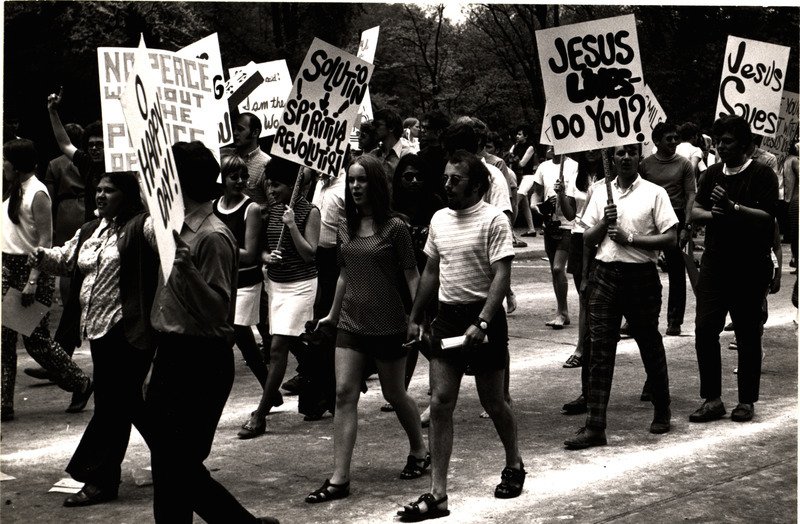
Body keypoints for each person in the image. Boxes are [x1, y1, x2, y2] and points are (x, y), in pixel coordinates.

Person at [143, 141, 278, 524]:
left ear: (180, 180)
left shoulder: (212, 237)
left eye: (165, 174)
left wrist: (187, 270)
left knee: (178, 465)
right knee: (169, 465)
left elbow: (220, 312)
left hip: (200, 359)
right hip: (172, 352)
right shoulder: (176, 226)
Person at [399, 151, 524, 522]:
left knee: (494, 401)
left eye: (456, 179)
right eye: (446, 178)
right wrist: (416, 315)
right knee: (440, 403)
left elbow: (502, 276)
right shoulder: (439, 219)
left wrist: (483, 322)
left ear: (476, 184)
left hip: (483, 317)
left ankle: (514, 463)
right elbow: (432, 271)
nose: (447, 185)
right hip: (448, 318)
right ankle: (438, 494)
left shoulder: (494, 220)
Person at [31, 170, 159, 507]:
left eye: (110, 191)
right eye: (98, 190)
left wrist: (149, 195)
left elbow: (164, 238)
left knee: (112, 405)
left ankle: (100, 478)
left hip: (128, 330)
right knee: (127, 404)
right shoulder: (91, 228)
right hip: (97, 331)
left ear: (127, 195)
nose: (100, 196)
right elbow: (68, 259)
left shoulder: (141, 225)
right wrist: (42, 257)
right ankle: (177, 460)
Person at [305, 154, 428, 503]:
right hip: (350, 322)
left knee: (394, 393)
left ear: (374, 183)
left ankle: (419, 450)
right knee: (344, 394)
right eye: (351, 180)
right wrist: (330, 316)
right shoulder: (345, 226)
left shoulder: (396, 228)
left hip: (389, 323)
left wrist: (417, 318)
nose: (355, 186)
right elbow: (345, 273)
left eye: (361, 180)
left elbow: (412, 275)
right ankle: (339, 478)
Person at [564, 143, 678, 450]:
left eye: (630, 152)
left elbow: (670, 237)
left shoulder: (655, 193)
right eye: (619, 153)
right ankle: (595, 425)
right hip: (605, 275)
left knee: (648, 343)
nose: (625, 157)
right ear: (611, 158)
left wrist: (631, 238)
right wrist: (604, 222)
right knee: (598, 350)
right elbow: (586, 237)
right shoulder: (600, 192)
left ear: (639, 156)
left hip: (641, 277)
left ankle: (662, 407)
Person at [689, 116, 778, 424]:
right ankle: (712, 399)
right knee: (704, 330)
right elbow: (695, 211)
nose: (721, 147)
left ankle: (746, 401)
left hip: (750, 265)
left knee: (747, 333)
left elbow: (768, 217)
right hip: (715, 263)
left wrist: (733, 208)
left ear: (743, 144)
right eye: (718, 142)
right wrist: (716, 215)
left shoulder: (763, 174)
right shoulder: (711, 174)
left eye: (727, 141)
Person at [1, 138, 93, 422]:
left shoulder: (38, 193)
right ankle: (5, 402)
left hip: (31, 270)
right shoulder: (11, 189)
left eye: (5, 160)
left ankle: (79, 382)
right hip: (8, 268)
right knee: (4, 340)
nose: (2, 165)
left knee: (36, 341)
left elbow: (45, 241)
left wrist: (32, 280)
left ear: (16, 165)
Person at [238, 158, 320, 439]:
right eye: (269, 184)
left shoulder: (310, 211)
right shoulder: (271, 211)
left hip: (300, 286)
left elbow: (310, 253)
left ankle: (260, 414)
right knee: (295, 343)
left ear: (292, 185)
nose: (271, 190)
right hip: (276, 285)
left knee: (278, 348)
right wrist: (266, 258)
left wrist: (293, 225)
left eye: (276, 185)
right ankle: (329, 379)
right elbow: (260, 248)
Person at [213, 152, 268, 388]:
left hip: (246, 283)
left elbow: (249, 254)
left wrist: (218, 248)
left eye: (243, 176)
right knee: (245, 342)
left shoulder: (251, 208)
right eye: (233, 176)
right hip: (223, 283)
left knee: (232, 334)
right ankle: (269, 387)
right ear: (222, 179)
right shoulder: (214, 207)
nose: (239, 181)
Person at [639, 122, 697, 336]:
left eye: (676, 138)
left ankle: (675, 320)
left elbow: (691, 195)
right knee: (642, 268)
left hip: (676, 218)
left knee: (676, 271)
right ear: (656, 141)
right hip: (650, 218)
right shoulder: (645, 165)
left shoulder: (684, 165)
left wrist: (687, 225)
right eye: (669, 139)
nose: (674, 142)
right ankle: (636, 316)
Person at [560, 149, 602, 368]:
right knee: (583, 295)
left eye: (596, 148)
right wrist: (560, 194)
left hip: (603, 237)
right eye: (588, 148)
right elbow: (569, 214)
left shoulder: (611, 177)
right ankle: (581, 347)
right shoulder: (575, 175)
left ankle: (596, 344)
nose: (592, 152)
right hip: (578, 237)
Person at [529, 149, 579, 329]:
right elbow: (537, 192)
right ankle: (561, 310)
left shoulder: (574, 166)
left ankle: (563, 311)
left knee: (559, 268)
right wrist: (535, 206)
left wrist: (563, 193)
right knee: (553, 269)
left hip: (566, 224)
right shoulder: (543, 167)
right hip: (548, 223)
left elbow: (575, 196)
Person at [47, 88, 102, 222]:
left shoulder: (120, 167)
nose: (94, 148)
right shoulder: (87, 162)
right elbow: (65, 144)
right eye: (90, 145)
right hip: (92, 226)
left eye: (99, 144)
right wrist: (52, 112)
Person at [509, 124, 539, 237]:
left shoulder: (530, 147)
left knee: (516, 199)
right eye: (517, 134)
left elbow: (522, 163)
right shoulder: (516, 146)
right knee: (525, 204)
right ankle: (531, 229)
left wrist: (513, 157)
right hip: (519, 177)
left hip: (528, 177)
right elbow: (509, 156)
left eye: (520, 134)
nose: (517, 136)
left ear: (525, 136)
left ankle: (509, 228)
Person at [371, 108, 413, 181]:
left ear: (391, 128)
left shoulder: (407, 155)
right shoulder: (373, 155)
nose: (373, 129)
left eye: (377, 125)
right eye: (373, 125)